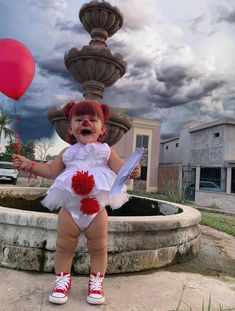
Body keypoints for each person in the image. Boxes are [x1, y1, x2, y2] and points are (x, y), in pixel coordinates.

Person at [12, 100, 141, 306]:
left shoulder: (106, 151)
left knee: (99, 247)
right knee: (63, 246)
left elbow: (122, 171)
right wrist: (30, 165)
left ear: (102, 128)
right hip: (69, 209)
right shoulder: (67, 153)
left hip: (96, 210)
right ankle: (62, 280)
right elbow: (51, 171)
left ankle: (96, 282)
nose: (85, 123)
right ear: (71, 128)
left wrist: (133, 170)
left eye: (92, 119)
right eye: (79, 120)